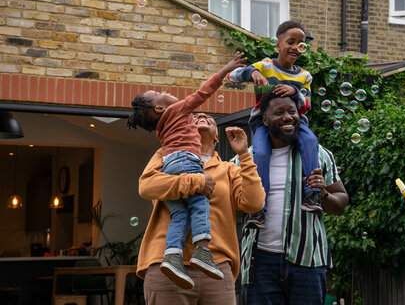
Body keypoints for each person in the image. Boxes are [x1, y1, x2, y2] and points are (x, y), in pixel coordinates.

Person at [127, 52, 246, 289]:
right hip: (186, 162)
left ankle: (172, 256)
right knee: (200, 204)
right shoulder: (177, 111)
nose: (166, 91)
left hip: (172, 164)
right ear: (161, 108)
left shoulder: (165, 130)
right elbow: (203, 92)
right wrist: (227, 68)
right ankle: (202, 251)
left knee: (179, 215)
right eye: (160, 93)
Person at [137, 113, 265, 304]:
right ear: (185, 130)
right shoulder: (166, 155)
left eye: (208, 117)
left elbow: (253, 203)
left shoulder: (229, 169)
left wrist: (244, 155)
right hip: (167, 266)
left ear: (216, 138)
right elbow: (147, 187)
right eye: (194, 117)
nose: (202, 115)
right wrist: (197, 181)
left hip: (217, 268)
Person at [234, 91, 349, 305]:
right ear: (265, 120)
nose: (288, 117)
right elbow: (231, 207)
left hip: (307, 259)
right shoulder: (244, 159)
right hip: (259, 262)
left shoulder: (319, 155)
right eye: (279, 113)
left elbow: (341, 203)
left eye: (292, 111)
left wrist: (323, 193)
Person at [228, 20, 322, 229]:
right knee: (260, 153)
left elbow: (307, 104)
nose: (296, 47)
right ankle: (259, 207)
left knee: (310, 141)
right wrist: (252, 72)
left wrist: (295, 92)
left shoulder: (304, 76)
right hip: (263, 124)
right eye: (291, 42)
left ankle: (312, 195)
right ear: (277, 45)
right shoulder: (266, 66)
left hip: (296, 124)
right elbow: (231, 76)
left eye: (301, 43)